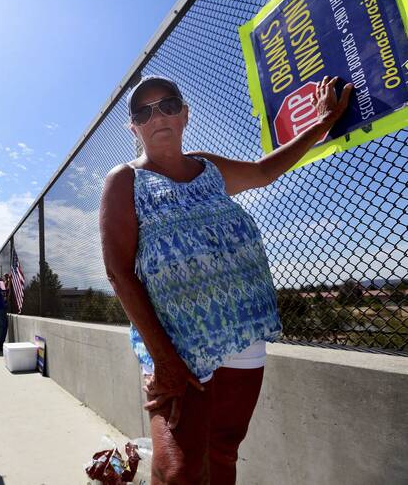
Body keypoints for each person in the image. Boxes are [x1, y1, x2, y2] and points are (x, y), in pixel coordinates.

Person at [99, 75, 352, 483]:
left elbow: (264, 170)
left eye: (167, 104)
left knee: (224, 450)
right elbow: (119, 273)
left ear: (184, 114)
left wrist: (320, 126)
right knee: (177, 470)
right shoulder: (125, 180)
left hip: (243, 333)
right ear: (134, 128)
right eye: (143, 111)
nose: (156, 115)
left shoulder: (209, 168)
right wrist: (164, 360)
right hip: (177, 347)